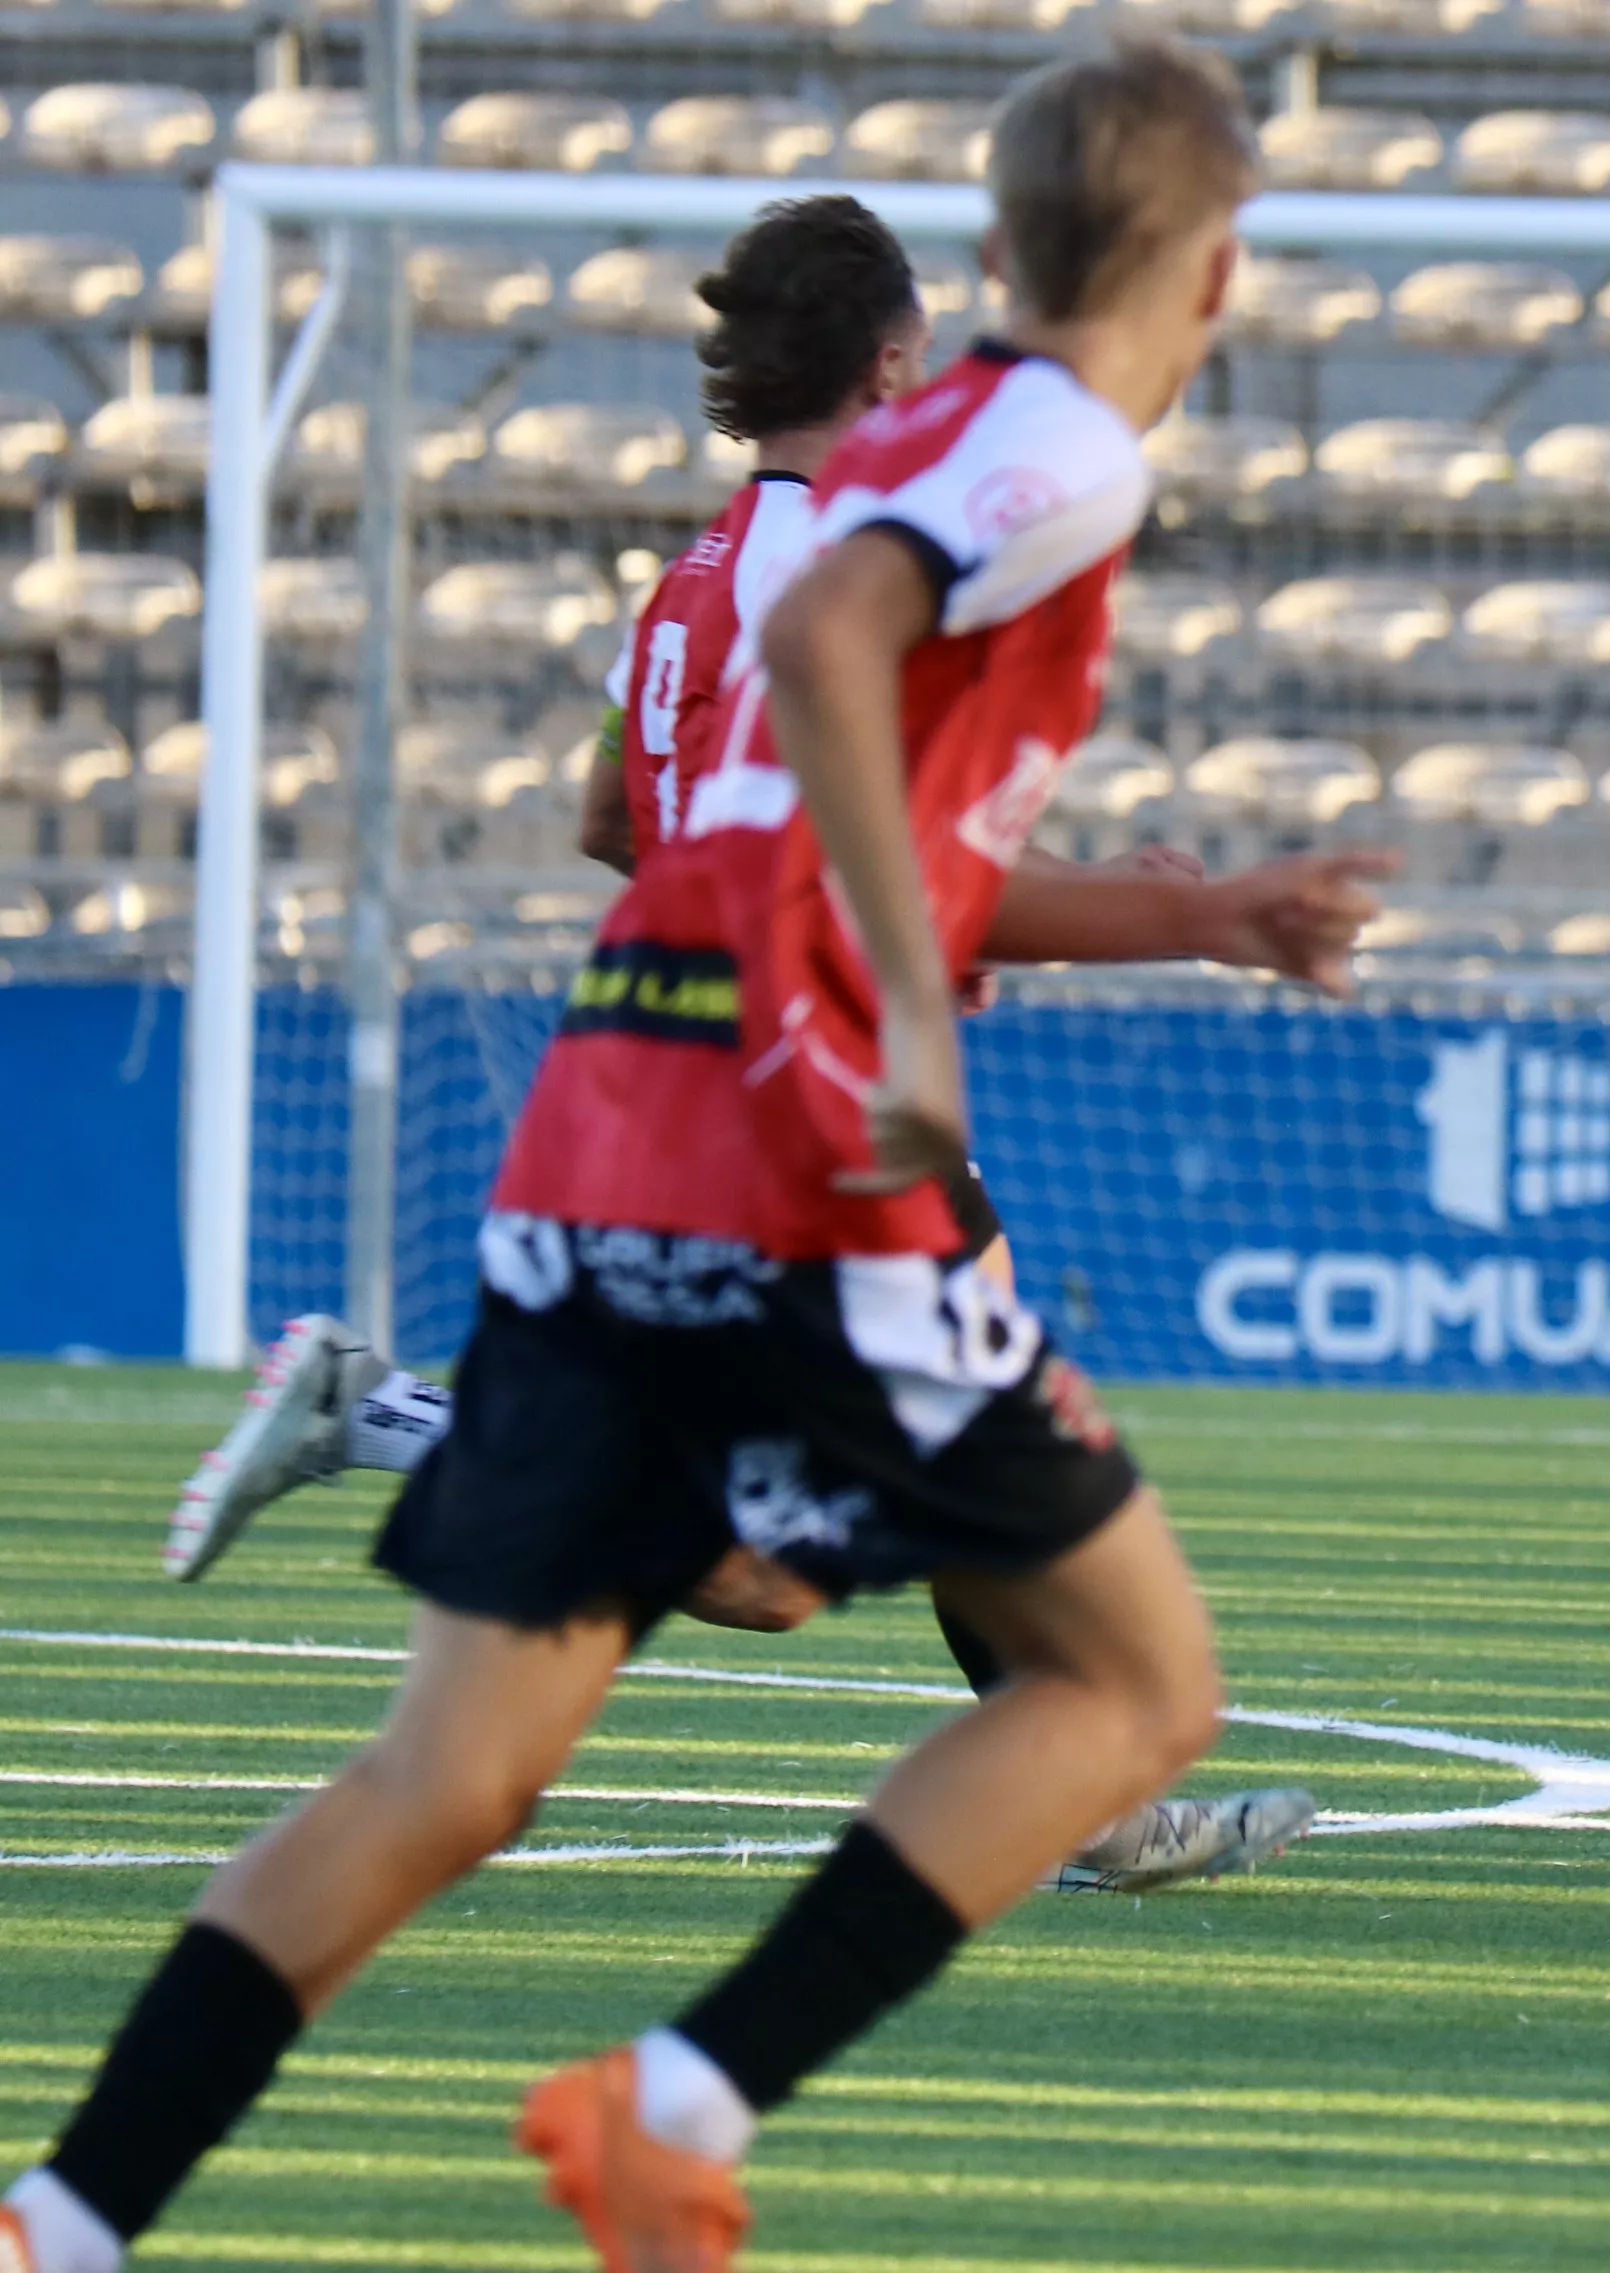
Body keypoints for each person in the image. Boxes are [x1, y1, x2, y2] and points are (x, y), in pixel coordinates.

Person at [2, 37, 1298, 2273]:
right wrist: (899, 1001)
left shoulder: (905, 441)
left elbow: (770, 796)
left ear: (988, 260)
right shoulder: (1062, 443)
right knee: (1128, 1687)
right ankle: (666, 2105)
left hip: (616, 1097)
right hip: (797, 1133)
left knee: (454, 1779)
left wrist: (1186, 913)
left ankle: (59, 2217)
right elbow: (827, 642)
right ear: (1213, 267)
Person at [157, 189, 1354, 1894]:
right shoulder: (835, 566)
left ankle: (395, 1414)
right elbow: (894, 845)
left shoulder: (692, 580)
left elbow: (607, 817)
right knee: (908, 1470)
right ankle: (1093, 1783)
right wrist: (1168, 908)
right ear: (888, 362)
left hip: (696, 1067)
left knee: (812, 1538)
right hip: (800, 1096)